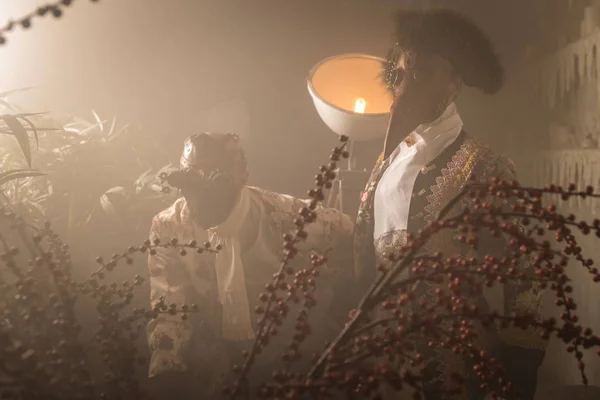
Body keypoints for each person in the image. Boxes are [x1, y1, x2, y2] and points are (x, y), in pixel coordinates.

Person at [353, 8, 546, 400]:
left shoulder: (486, 167)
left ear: (455, 83)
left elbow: (525, 272)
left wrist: (520, 368)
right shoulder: (385, 164)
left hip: (455, 366)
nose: (405, 85)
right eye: (401, 74)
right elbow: (360, 253)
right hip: (381, 363)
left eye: (422, 73)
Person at [145, 132, 354, 399]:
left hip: (292, 351)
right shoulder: (168, 227)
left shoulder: (280, 213)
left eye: (214, 183)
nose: (199, 199)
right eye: (191, 184)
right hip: (219, 358)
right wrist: (167, 367)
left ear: (242, 177)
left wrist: (330, 292)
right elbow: (170, 308)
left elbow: (347, 231)